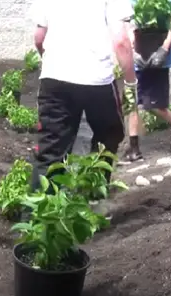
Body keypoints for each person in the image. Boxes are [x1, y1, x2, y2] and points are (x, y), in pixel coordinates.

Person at [28, 0, 138, 194]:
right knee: (109, 136)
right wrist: (130, 83)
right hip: (96, 80)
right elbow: (121, 41)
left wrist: (52, 62)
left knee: (51, 150)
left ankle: (36, 216)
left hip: (54, 79)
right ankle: (93, 197)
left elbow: (39, 38)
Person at [122, 0, 171, 162]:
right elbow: (128, 21)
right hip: (138, 55)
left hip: (158, 55)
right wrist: (133, 48)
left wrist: (164, 48)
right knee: (131, 99)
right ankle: (134, 148)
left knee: (154, 105)